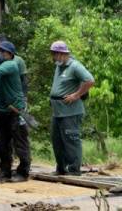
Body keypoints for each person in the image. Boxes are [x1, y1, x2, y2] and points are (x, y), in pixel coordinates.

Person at [0, 41, 31, 182]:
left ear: (10, 54)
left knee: (20, 142)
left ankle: (23, 172)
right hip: (3, 111)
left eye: (2, 52)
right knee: (3, 143)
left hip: (16, 110)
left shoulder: (11, 65)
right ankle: (5, 171)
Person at [49, 41, 95, 176]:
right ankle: (61, 168)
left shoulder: (75, 66)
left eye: (55, 54)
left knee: (71, 140)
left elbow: (90, 80)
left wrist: (76, 95)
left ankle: (74, 170)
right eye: (53, 54)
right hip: (57, 111)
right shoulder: (59, 66)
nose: (53, 57)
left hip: (71, 111)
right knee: (57, 140)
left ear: (63, 54)